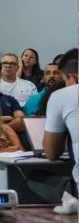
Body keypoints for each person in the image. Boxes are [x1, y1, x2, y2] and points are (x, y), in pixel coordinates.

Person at [43, 48, 78, 185]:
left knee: (35, 178)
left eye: (64, 81)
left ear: (72, 77)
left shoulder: (61, 96)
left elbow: (52, 153)